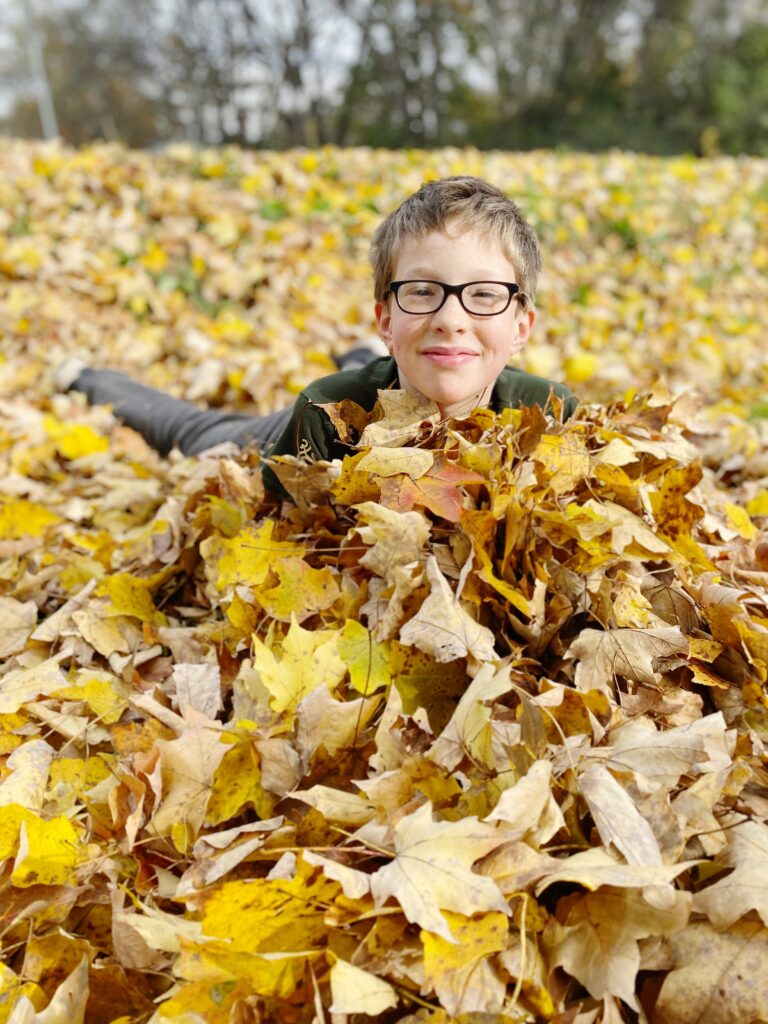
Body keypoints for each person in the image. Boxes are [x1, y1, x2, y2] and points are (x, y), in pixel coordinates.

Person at [59, 176, 578, 480]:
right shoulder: (323, 414)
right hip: (274, 435)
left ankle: (362, 359)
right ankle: (84, 375)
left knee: (382, 368)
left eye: (484, 295)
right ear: (386, 318)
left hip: (391, 364)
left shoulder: (553, 416)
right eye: (422, 292)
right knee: (191, 432)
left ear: (520, 327)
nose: (450, 319)